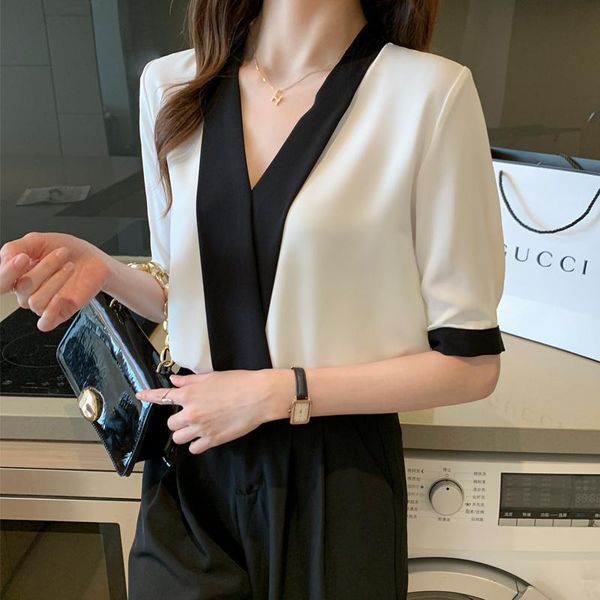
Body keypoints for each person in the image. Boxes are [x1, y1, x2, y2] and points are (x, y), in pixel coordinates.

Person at [0, 0, 506, 598]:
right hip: (191, 460)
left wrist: (275, 393)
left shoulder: (430, 95)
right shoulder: (170, 84)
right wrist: (104, 269)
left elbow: (471, 365)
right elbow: (187, 294)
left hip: (334, 475)